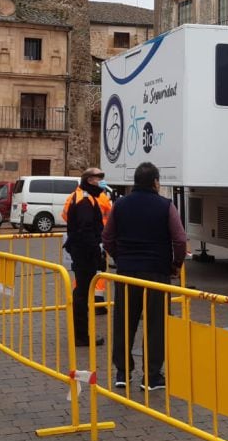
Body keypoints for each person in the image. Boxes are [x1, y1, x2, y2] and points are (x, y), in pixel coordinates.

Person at [102, 161, 187, 391]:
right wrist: (176, 264)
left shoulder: (120, 205)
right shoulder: (165, 206)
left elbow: (107, 237)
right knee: (156, 324)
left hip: (127, 273)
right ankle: (151, 376)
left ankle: (122, 372)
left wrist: (120, 258)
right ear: (156, 182)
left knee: (124, 321)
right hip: (157, 272)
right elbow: (179, 240)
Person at [61, 167, 113, 348]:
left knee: (82, 292)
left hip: (81, 250)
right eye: (99, 178)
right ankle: (82, 336)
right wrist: (95, 252)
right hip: (84, 252)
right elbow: (86, 230)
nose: (101, 181)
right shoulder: (84, 200)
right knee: (82, 293)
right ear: (90, 180)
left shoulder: (86, 196)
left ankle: (81, 334)